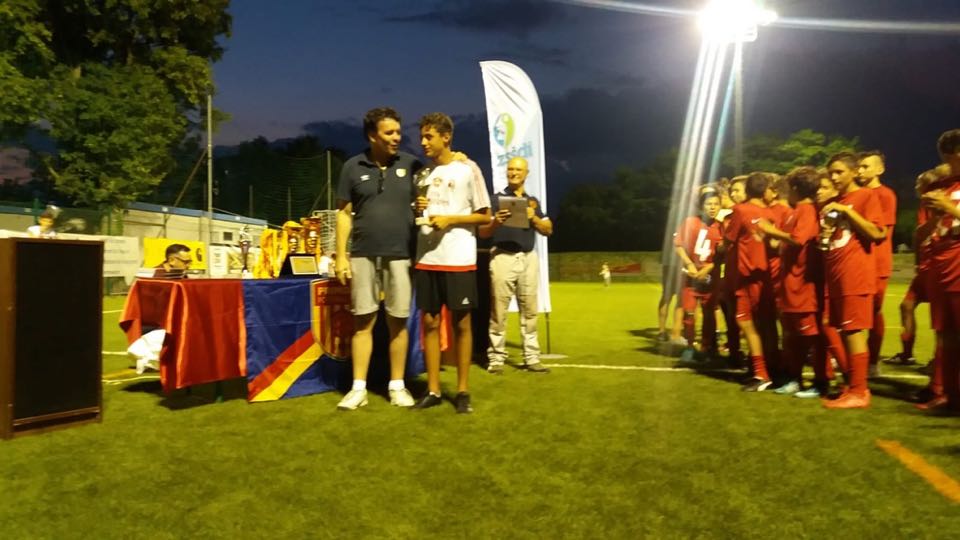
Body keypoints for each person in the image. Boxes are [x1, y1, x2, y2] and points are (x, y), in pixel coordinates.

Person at [334, 106, 423, 411]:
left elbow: (438, 178)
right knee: (363, 323)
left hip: (401, 255)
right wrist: (341, 256)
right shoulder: (352, 166)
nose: (397, 137)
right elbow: (343, 214)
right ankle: (358, 389)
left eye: (398, 131)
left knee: (398, 323)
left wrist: (459, 158)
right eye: (390, 132)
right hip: (363, 255)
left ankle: (397, 386)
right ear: (373, 135)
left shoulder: (412, 165)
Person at [412, 112, 491, 413]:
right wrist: (419, 207)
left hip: (458, 258)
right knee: (430, 323)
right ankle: (433, 389)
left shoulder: (468, 169)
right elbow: (421, 211)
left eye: (428, 136)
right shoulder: (423, 174)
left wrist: (451, 219)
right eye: (421, 136)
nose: (423, 142)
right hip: (427, 257)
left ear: (446, 137)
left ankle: (462, 391)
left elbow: (485, 216)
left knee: (462, 324)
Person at [819, 152, 886, 409]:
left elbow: (877, 233)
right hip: (837, 275)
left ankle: (860, 391)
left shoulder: (866, 196)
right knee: (844, 330)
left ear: (854, 171)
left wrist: (846, 211)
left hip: (855, 274)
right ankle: (852, 386)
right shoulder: (836, 201)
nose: (834, 177)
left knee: (854, 331)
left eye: (839, 172)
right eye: (831, 173)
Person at [478, 156, 553, 375]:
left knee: (530, 312)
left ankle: (532, 357)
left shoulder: (532, 202)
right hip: (502, 256)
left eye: (518, 170)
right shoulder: (496, 200)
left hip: (528, 258)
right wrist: (496, 222)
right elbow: (483, 232)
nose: (513, 173)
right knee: (498, 311)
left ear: (526, 173)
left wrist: (534, 218)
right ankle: (496, 358)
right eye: (510, 169)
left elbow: (548, 229)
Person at [756, 167, 822, 395]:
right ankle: (794, 378)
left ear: (795, 188)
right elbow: (781, 242)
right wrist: (766, 234)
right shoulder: (795, 211)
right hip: (789, 282)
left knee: (810, 336)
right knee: (792, 335)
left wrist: (770, 229)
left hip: (802, 284)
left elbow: (798, 239)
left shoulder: (807, 210)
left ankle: (821, 382)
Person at [916, 129, 960, 412]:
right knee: (946, 334)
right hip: (940, 261)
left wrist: (950, 208)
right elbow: (923, 233)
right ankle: (949, 395)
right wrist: (933, 218)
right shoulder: (941, 185)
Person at [722, 172, 775, 391]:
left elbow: (728, 240)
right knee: (765, 324)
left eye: (738, 190)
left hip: (746, 275)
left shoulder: (741, 210)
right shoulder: (769, 211)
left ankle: (761, 374)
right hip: (765, 274)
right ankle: (767, 368)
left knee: (745, 322)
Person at [857, 150, 897, 378]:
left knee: (873, 313)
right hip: (857, 261)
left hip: (876, 263)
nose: (861, 171)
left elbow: (882, 233)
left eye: (866, 166)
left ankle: (873, 361)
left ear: (880, 169)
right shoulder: (856, 194)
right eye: (859, 167)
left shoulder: (885, 195)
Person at [673, 190, 722, 357]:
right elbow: (678, 245)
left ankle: (706, 347)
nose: (712, 207)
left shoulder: (722, 227)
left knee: (709, 314)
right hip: (691, 277)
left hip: (710, 278)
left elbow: (723, 255)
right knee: (689, 312)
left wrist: (708, 268)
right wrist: (689, 264)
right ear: (701, 206)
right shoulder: (690, 222)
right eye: (709, 204)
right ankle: (689, 346)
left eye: (716, 204)